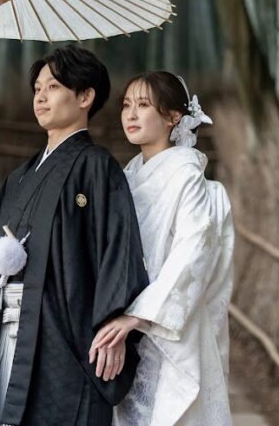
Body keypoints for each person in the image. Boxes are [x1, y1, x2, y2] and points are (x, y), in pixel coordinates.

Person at [0, 46, 151, 426]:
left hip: (63, 336)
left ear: (85, 96)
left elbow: (118, 250)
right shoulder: (22, 175)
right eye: (37, 88)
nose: (40, 97)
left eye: (53, 87)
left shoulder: (97, 167)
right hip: (10, 328)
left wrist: (115, 324)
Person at [90, 71, 234, 426]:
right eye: (126, 105)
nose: (130, 114)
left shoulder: (186, 175)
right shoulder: (128, 175)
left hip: (166, 325)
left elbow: (194, 248)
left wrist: (138, 315)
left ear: (173, 117)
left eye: (143, 105)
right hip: (130, 327)